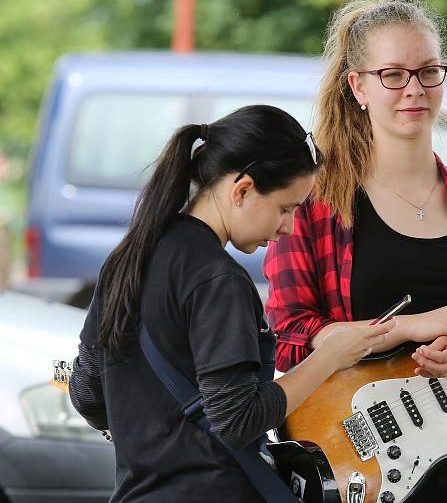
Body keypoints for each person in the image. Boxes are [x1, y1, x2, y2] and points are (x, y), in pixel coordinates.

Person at [264, 0, 447, 503]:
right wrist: (407, 328)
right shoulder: (316, 204)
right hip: (359, 468)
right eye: (393, 75)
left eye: (429, 71)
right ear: (358, 87)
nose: (414, 89)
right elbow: (289, 339)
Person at [69, 105, 392, 502]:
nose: (288, 228)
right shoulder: (218, 280)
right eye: (285, 208)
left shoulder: (128, 258)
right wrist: (329, 357)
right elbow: (238, 421)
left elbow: (87, 392)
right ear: (242, 189)